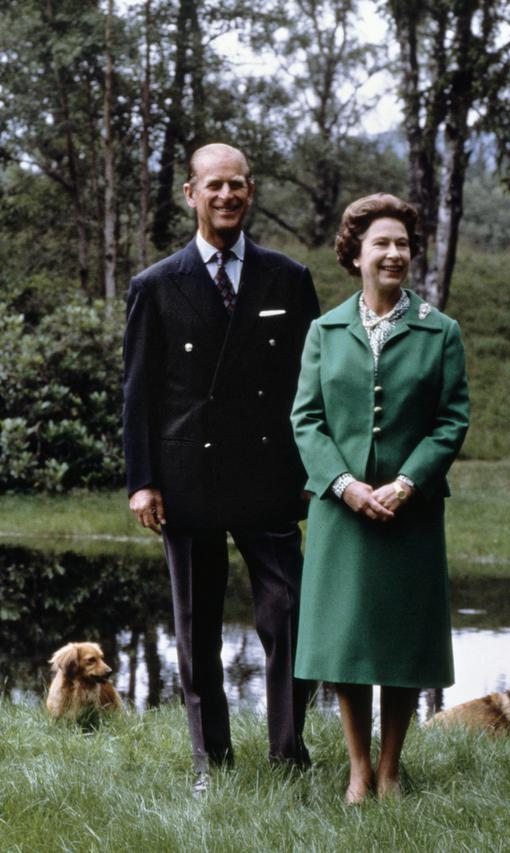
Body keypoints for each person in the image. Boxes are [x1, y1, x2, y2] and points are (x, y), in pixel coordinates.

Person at [123, 143, 319, 793]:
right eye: (214, 186)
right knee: (196, 628)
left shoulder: (288, 278)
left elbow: (308, 384)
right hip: (188, 479)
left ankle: (289, 753)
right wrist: (143, 479)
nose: (226, 196)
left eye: (237, 185)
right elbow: (139, 391)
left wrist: (314, 470)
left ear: (251, 191)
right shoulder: (156, 285)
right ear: (190, 193)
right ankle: (212, 760)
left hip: (269, 475)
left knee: (290, 612)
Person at [291, 193, 470, 802]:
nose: (394, 254)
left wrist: (405, 483)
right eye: (381, 245)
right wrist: (344, 485)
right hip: (341, 511)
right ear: (356, 255)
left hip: (409, 511)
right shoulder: (324, 330)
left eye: (402, 244)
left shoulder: (441, 332)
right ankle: (358, 769)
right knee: (347, 642)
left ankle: (392, 771)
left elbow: (451, 420)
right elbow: (306, 420)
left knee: (400, 643)